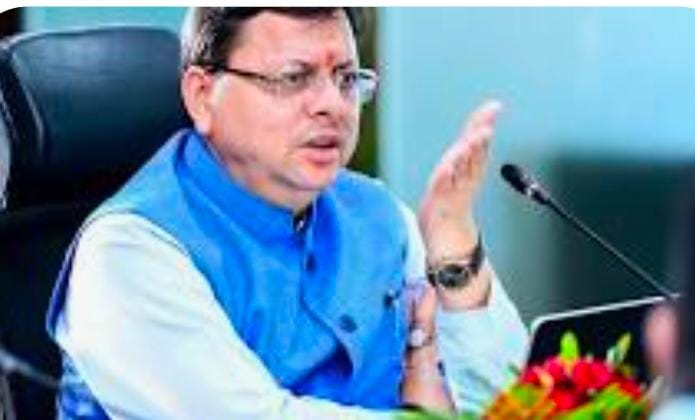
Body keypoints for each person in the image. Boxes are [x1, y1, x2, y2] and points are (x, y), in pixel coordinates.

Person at [46, 7, 527, 419]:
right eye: (294, 78)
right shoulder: (127, 252)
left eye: (346, 79)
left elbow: (513, 404)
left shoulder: (376, 213)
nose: (333, 105)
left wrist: (452, 247)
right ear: (202, 96)